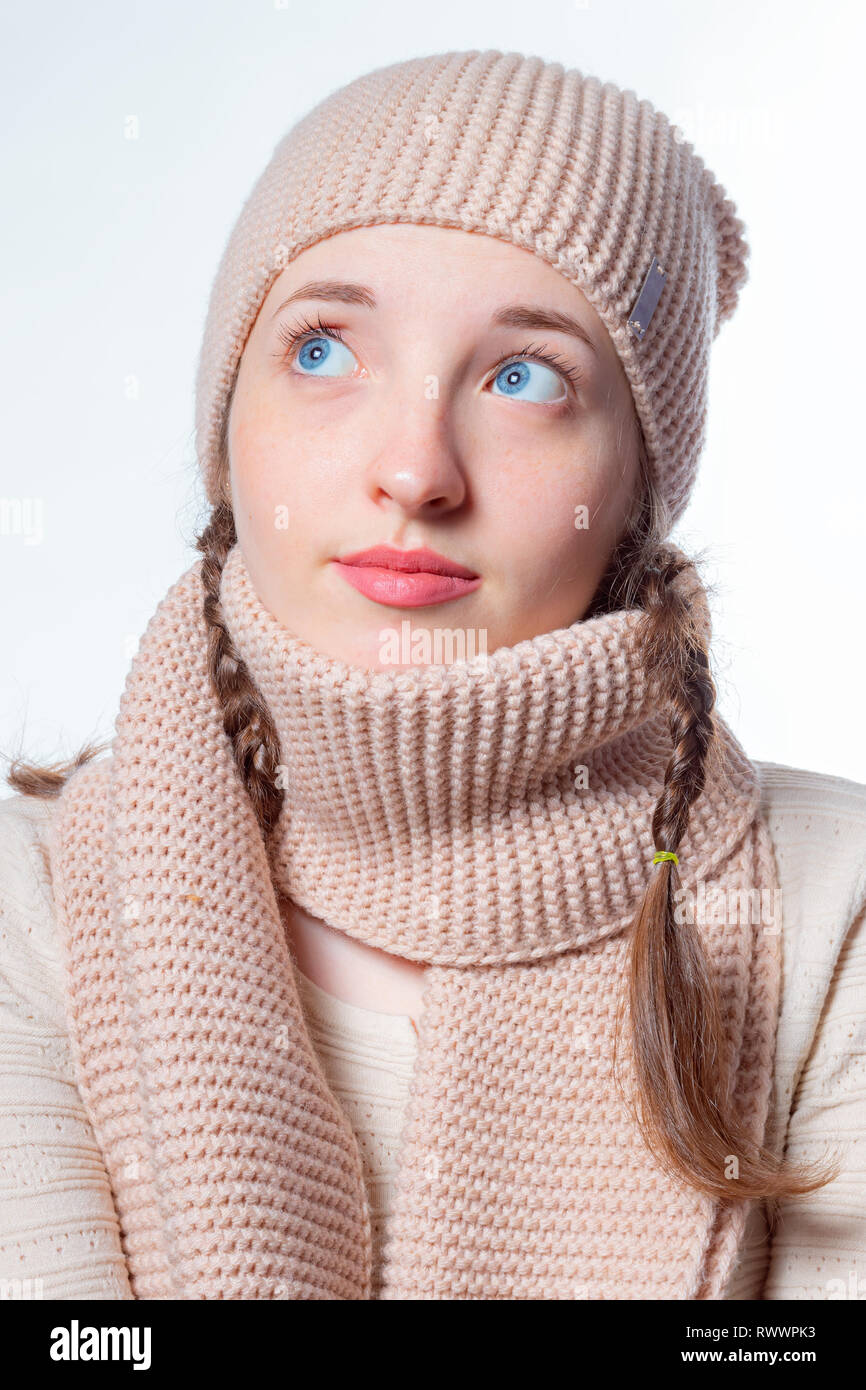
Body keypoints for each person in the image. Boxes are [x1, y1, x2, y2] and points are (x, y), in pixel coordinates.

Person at [1, 48, 864, 1302]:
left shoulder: (831, 916)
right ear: (225, 424)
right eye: (320, 351)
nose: (414, 470)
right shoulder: (30, 904)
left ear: (637, 484)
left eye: (525, 379)